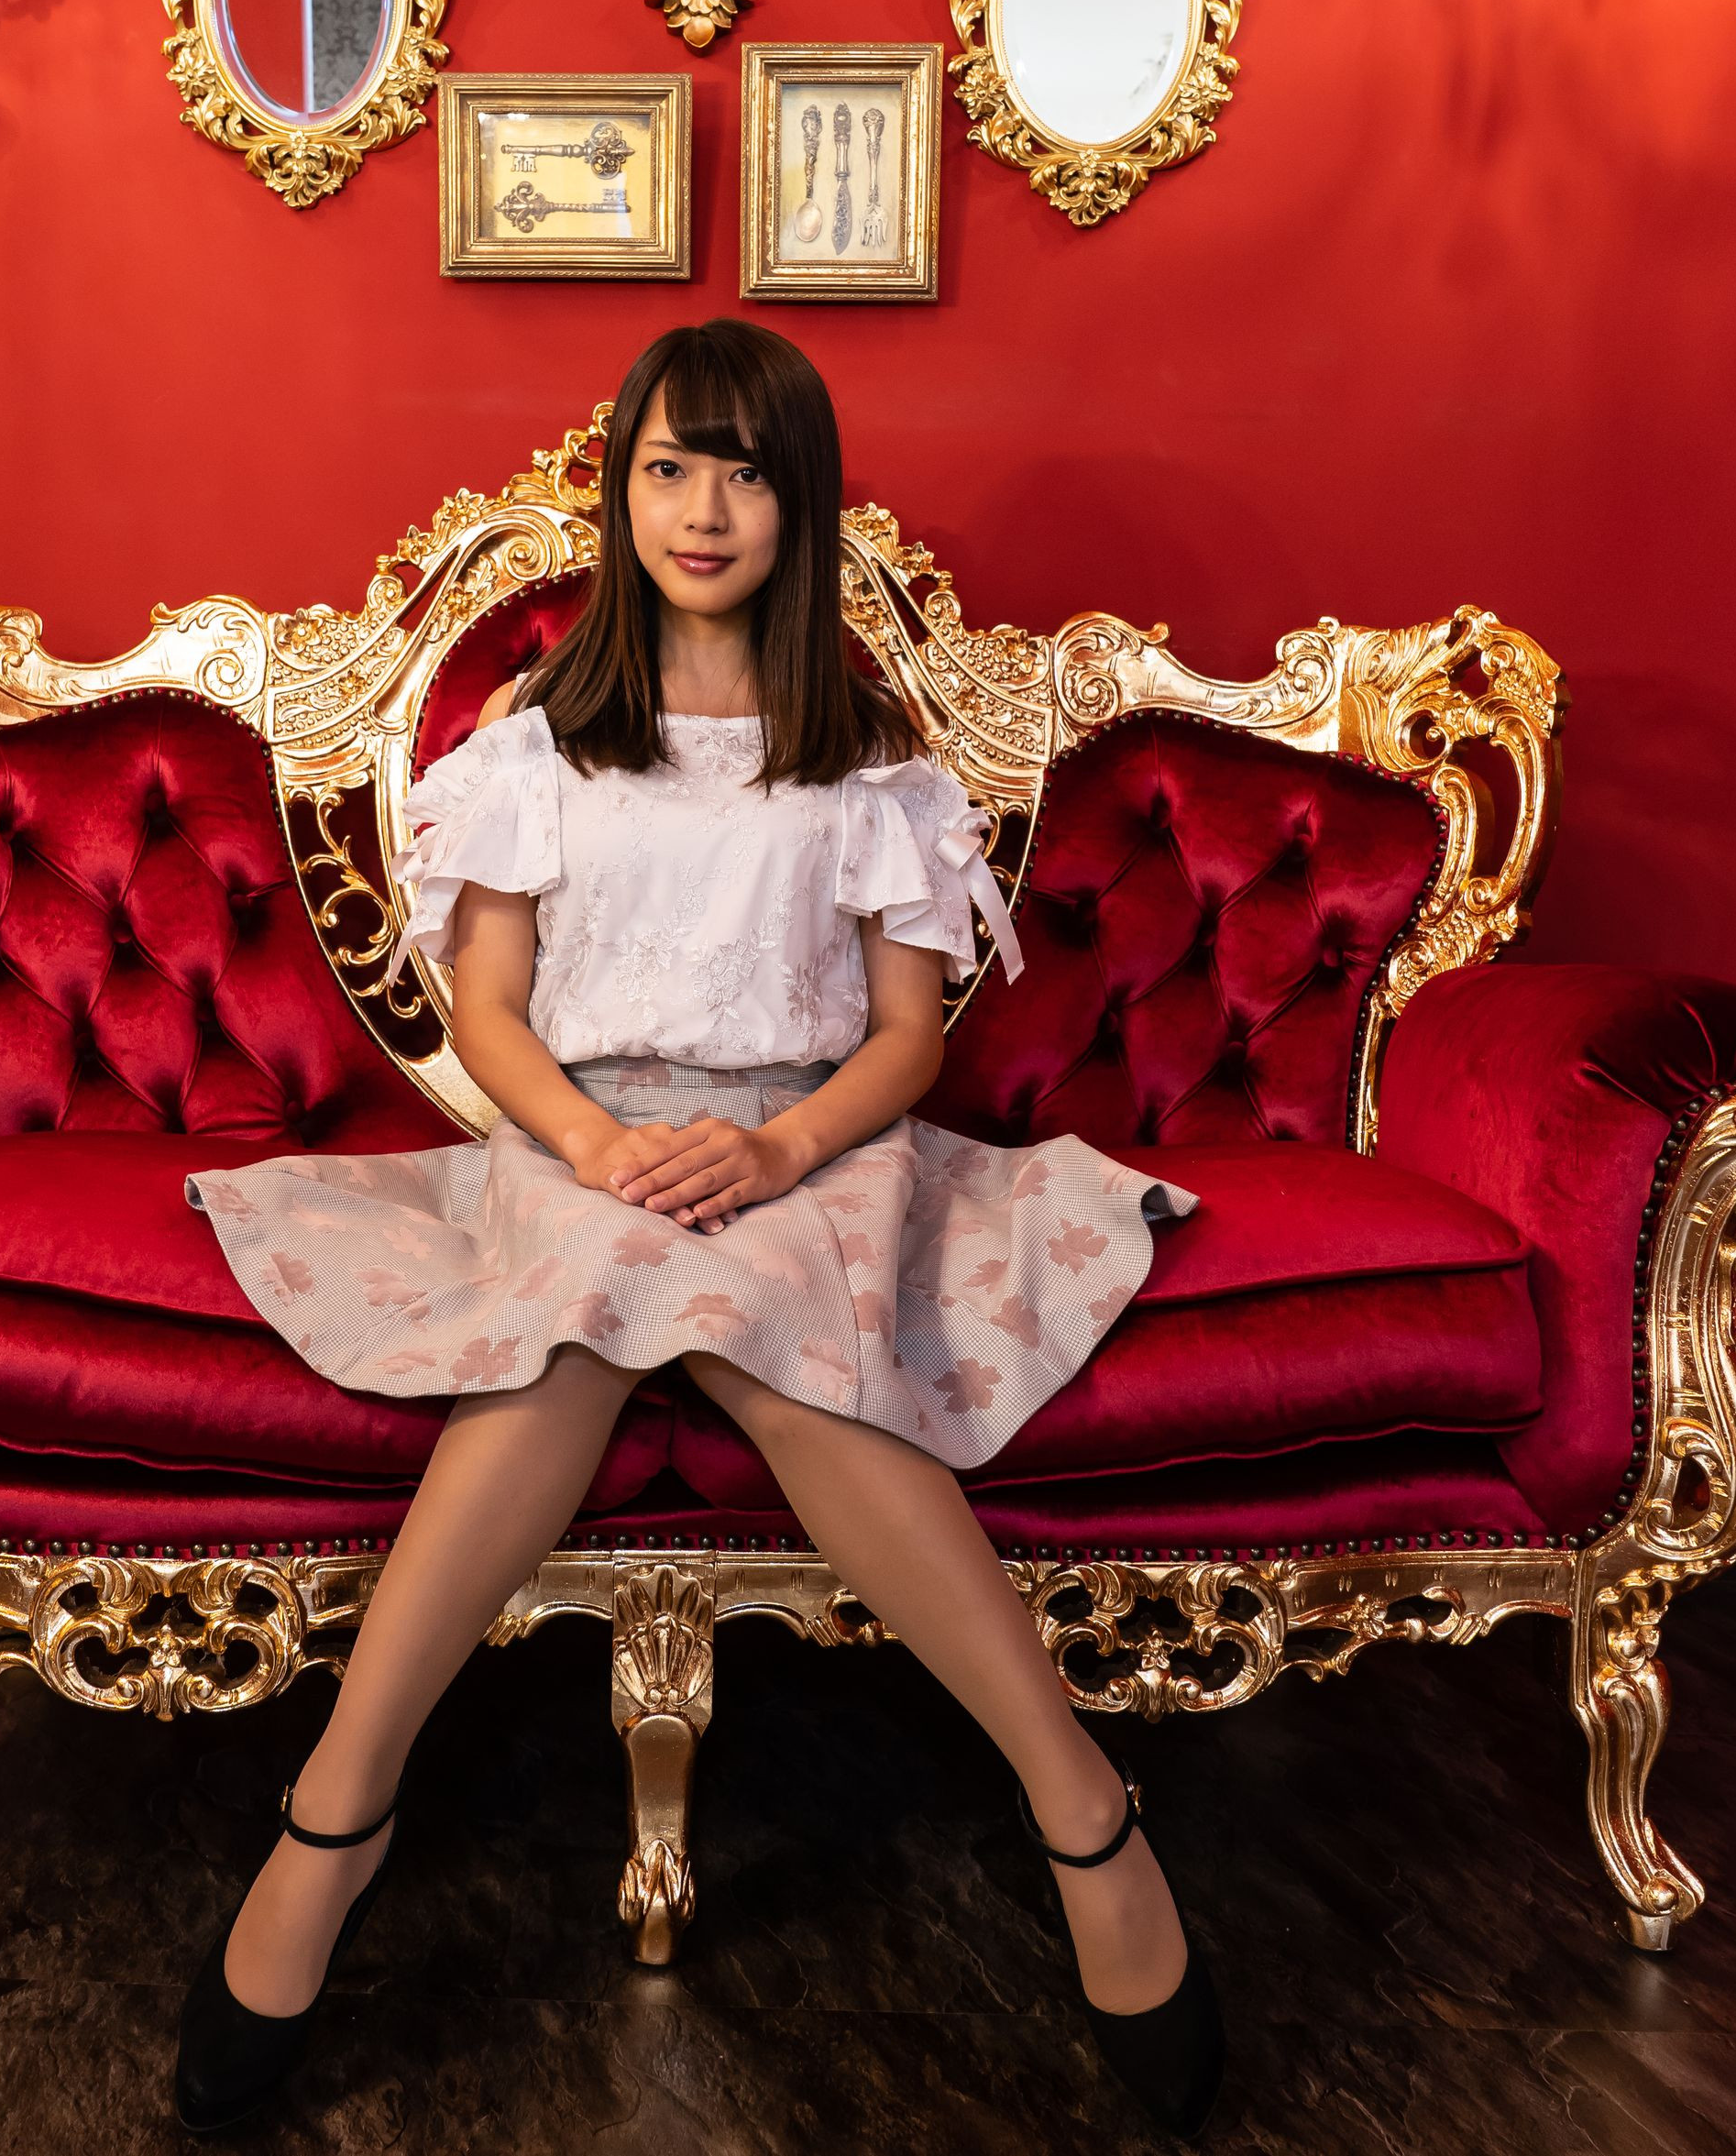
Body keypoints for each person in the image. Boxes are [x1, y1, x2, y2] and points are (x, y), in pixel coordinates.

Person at [175, 320, 1222, 2138]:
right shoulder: (535, 749)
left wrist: (776, 1144)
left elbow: (906, 1035)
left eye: (745, 471)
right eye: (670, 466)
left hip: (806, 1141)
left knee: (786, 1338)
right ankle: (336, 1815)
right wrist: (595, 1143)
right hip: (580, 1136)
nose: (705, 507)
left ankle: (1080, 1809)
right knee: (571, 1319)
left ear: (797, 504)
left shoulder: (868, 766)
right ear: (622, 492)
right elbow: (487, 1011)